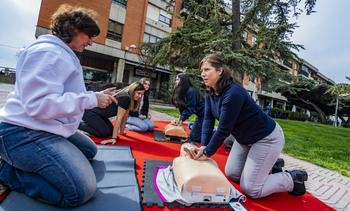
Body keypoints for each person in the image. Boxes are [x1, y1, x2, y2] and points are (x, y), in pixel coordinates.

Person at [0, 4, 117, 207]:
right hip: (22, 132)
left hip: (42, 126)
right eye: (89, 36)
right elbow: (37, 105)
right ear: (75, 30)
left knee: (90, 151)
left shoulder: (60, 53)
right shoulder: (49, 54)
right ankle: (5, 171)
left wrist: (95, 95)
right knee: (81, 190)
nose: (90, 42)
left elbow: (64, 93)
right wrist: (91, 100)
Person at [185, 54, 308, 199]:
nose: (203, 74)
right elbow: (208, 120)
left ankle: (293, 178)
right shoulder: (211, 93)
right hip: (244, 139)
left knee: (251, 189)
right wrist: (204, 146)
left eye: (207, 69)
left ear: (220, 71)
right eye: (201, 71)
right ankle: (272, 164)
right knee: (232, 174)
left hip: (266, 138)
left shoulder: (233, 92)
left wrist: (207, 153)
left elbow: (224, 129)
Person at [79, 82, 145, 145]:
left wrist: (121, 132)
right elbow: (119, 119)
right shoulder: (125, 98)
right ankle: (78, 124)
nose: (140, 96)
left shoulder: (129, 99)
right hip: (89, 112)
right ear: (133, 90)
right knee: (103, 134)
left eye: (141, 94)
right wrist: (114, 138)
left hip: (100, 115)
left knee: (110, 132)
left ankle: (91, 124)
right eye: (138, 93)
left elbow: (124, 118)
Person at [171, 73, 205, 143]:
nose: (176, 81)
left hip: (205, 114)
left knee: (195, 138)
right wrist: (180, 118)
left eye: (177, 80)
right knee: (194, 134)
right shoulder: (182, 90)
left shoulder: (191, 91)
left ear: (183, 80)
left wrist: (182, 120)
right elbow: (182, 106)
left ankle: (212, 131)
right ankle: (194, 125)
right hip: (199, 114)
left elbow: (190, 108)